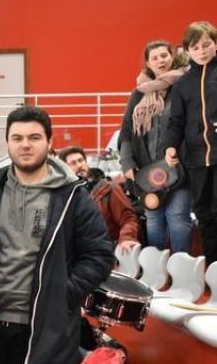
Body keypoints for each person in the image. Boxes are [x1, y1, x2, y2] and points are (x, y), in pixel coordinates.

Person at [0, 106, 114, 364]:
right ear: (7, 143)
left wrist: (61, 293)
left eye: (34, 137)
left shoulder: (73, 197)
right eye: (17, 138)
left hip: (44, 333)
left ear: (49, 142)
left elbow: (100, 255)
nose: (25, 144)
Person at [117, 39, 192, 252]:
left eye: (164, 55)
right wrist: (127, 162)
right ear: (148, 63)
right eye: (155, 58)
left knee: (177, 218)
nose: (160, 60)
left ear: (172, 56)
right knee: (153, 218)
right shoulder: (139, 92)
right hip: (147, 170)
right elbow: (126, 131)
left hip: (179, 168)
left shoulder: (184, 86)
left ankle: (180, 268)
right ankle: (156, 271)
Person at [163, 20, 217, 265]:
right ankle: (213, 270)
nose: (202, 51)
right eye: (195, 47)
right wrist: (170, 146)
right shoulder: (182, 85)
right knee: (205, 215)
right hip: (196, 159)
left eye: (207, 45)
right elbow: (176, 121)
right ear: (187, 51)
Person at [59, 146, 141, 253]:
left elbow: (128, 218)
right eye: (73, 163)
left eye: (81, 160)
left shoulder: (108, 188)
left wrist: (127, 238)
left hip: (106, 251)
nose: (79, 165)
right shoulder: (63, 195)